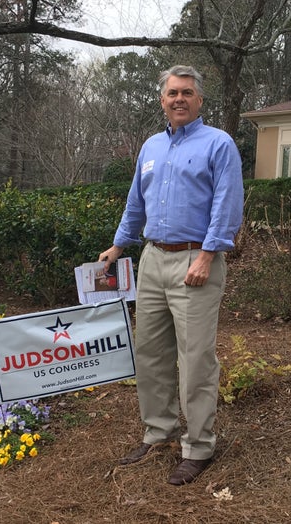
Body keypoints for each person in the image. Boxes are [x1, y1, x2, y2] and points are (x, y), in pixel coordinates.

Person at [98, 65, 244, 486]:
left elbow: (227, 203)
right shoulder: (151, 147)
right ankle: (158, 432)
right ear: (162, 99)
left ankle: (199, 446)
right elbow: (134, 204)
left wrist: (207, 255)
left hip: (194, 263)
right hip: (152, 260)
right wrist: (119, 245)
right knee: (150, 353)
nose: (178, 99)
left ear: (199, 100)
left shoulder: (218, 144)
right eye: (172, 93)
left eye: (186, 93)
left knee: (195, 359)